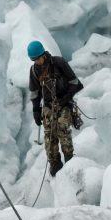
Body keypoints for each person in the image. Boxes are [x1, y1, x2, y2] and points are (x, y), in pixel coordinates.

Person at [27, 41, 83, 177]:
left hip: (64, 103)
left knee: (62, 128)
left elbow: (75, 83)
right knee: (50, 135)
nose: (37, 62)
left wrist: (65, 98)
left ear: (43, 54)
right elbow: (35, 92)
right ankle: (55, 164)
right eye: (34, 60)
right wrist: (35, 110)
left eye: (38, 58)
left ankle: (70, 160)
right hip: (48, 106)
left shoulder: (59, 63)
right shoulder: (34, 70)